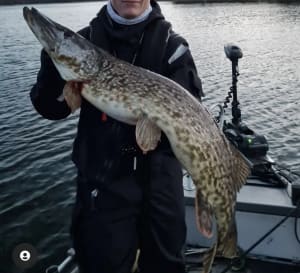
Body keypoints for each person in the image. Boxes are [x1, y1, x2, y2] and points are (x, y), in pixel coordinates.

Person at [30, 0, 203, 272]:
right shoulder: (84, 40)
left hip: (161, 182)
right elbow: (51, 109)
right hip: (102, 182)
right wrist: (53, 66)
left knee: (166, 266)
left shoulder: (173, 47)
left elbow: (190, 118)